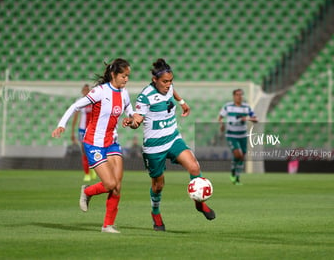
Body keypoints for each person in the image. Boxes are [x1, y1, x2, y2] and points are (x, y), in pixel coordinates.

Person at [127, 58, 216, 231]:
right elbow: (137, 119)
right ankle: (155, 212)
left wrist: (182, 103)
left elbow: (173, 92)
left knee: (194, 167)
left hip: (173, 137)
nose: (168, 85)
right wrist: (131, 122)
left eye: (170, 81)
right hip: (154, 146)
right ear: (155, 80)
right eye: (165, 81)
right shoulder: (145, 96)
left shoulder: (169, 88)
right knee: (158, 185)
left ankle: (199, 204)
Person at [52, 58, 137, 233]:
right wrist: (62, 124)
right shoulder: (99, 91)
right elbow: (75, 106)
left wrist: (131, 120)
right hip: (94, 143)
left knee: (118, 185)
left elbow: (131, 113)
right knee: (109, 184)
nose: (126, 79)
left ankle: (108, 225)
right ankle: (88, 191)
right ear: (114, 75)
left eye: (128, 76)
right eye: (123, 76)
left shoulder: (124, 93)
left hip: (112, 142)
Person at [218, 89, 258, 185]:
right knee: (238, 155)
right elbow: (220, 118)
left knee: (242, 157)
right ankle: (233, 172)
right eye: (237, 95)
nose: (239, 96)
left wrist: (247, 118)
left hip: (243, 135)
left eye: (241, 95)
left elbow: (256, 119)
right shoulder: (228, 106)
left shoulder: (246, 107)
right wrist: (221, 125)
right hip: (231, 135)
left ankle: (237, 177)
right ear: (233, 96)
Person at [71, 84, 97, 182]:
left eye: (87, 90)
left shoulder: (94, 100)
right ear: (82, 91)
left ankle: (92, 168)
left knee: (93, 150)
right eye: (84, 90)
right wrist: (72, 132)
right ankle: (87, 173)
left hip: (92, 129)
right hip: (82, 129)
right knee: (84, 151)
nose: (86, 91)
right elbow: (75, 117)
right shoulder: (80, 101)